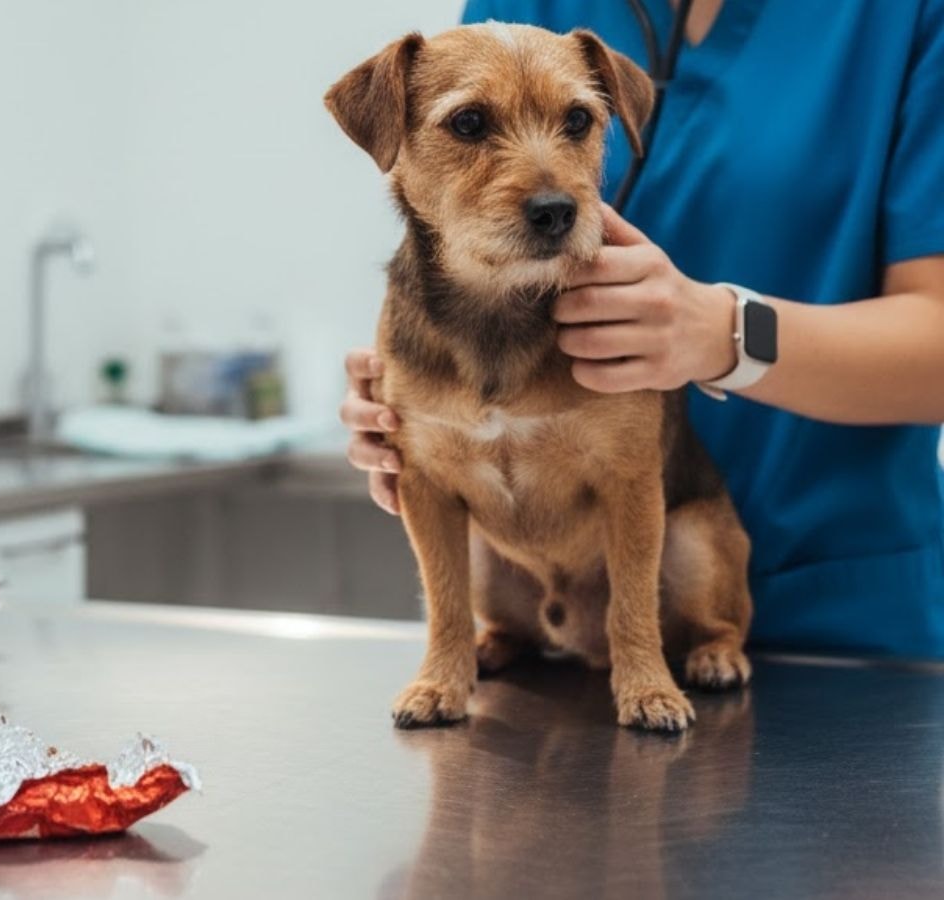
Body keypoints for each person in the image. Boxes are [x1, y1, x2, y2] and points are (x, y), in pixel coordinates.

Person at [341, 0, 944, 657]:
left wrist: (726, 335)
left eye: (577, 120)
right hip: (548, 639)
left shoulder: (903, 16)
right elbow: (445, 211)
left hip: (847, 616)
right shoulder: (525, 10)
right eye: (473, 123)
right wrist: (416, 416)